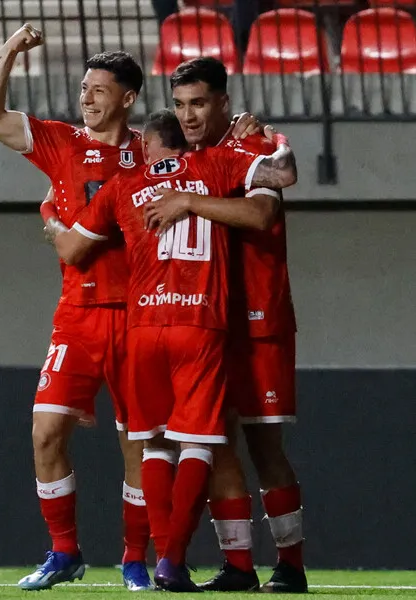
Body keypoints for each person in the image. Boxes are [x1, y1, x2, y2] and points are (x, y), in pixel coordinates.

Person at [49, 109, 298, 591]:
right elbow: (282, 175)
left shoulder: (124, 183)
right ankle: (173, 562)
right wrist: (277, 140)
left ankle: (163, 555)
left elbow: (72, 248)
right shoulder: (216, 165)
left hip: (142, 328)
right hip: (199, 323)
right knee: (200, 444)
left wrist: (49, 216)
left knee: (155, 445)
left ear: (147, 147)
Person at [0, 24, 153, 591]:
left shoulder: (149, 152)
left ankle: (133, 560)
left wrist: (55, 226)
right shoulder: (60, 142)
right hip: (77, 313)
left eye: (99, 90)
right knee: (46, 432)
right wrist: (8, 51)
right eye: (83, 88)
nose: (87, 97)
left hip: (137, 314)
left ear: (126, 98)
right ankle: (64, 553)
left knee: (137, 445)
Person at [148, 56, 307, 593]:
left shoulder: (254, 148)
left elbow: (264, 215)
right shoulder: (192, 159)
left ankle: (291, 565)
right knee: (213, 445)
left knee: (264, 446)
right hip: (208, 321)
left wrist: (191, 202)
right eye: (180, 105)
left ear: (223, 101)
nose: (188, 115)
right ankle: (238, 566)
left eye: (198, 103)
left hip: (258, 317)